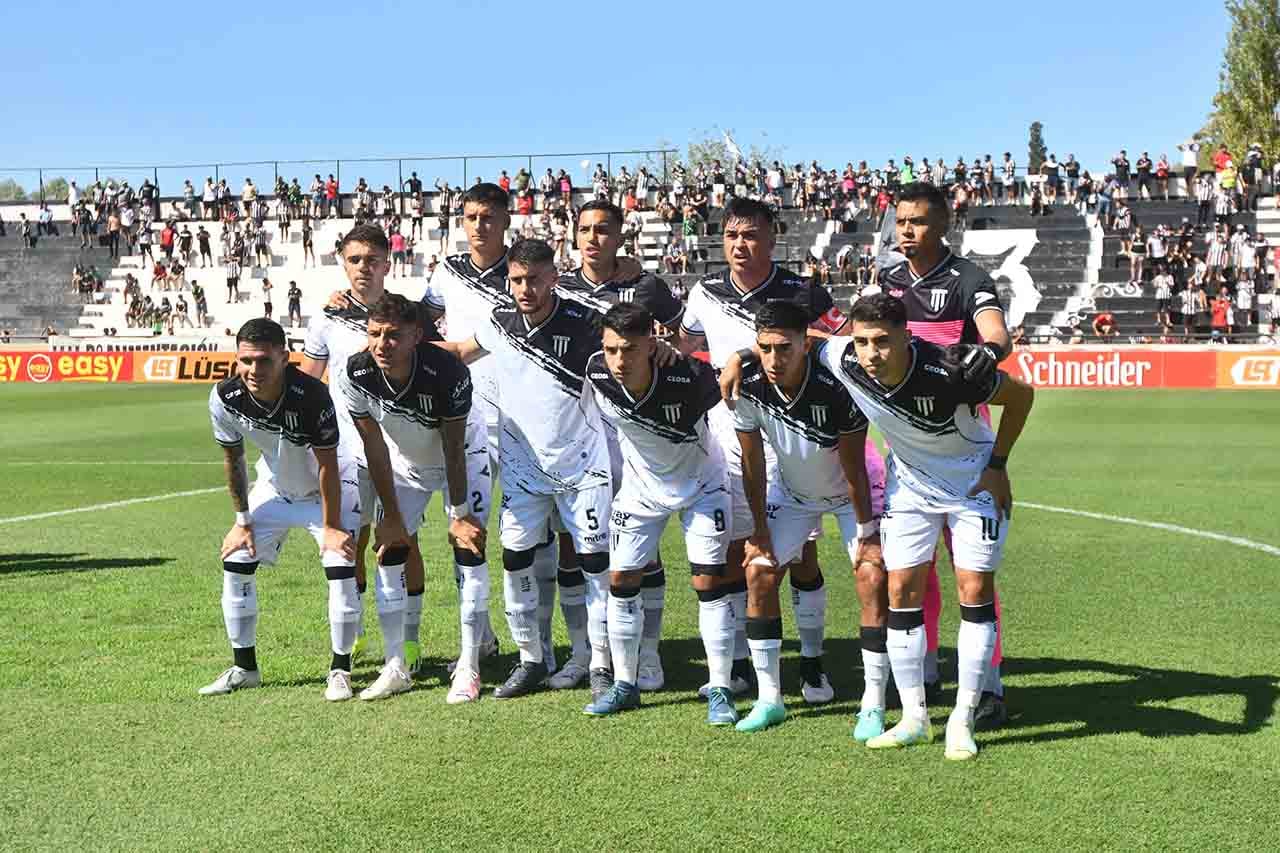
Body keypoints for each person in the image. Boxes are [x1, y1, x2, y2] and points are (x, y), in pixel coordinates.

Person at [727, 293, 1034, 758]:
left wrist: (998, 464)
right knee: (900, 594)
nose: (872, 354)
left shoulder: (950, 370)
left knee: (973, 592)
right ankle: (914, 717)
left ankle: (962, 718)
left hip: (972, 487)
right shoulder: (846, 357)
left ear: (906, 338)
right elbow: (800, 339)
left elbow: (1022, 395)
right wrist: (740, 354)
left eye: (883, 342)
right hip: (909, 489)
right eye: (864, 341)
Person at [678, 197, 849, 703]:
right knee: (741, 548)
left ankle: (813, 662)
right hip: (728, 441)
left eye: (751, 235)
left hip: (794, 440)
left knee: (801, 556)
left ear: (772, 239)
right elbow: (684, 346)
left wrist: (749, 351)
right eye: (731, 235)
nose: (739, 245)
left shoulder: (802, 291)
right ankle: (737, 663)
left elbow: (842, 340)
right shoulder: (704, 291)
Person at [433, 239, 617, 700]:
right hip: (523, 472)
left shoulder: (587, 323)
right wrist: (398, 339)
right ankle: (531, 658)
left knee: (594, 566)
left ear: (554, 277)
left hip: (582, 470)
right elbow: (458, 352)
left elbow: (624, 354)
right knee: (515, 562)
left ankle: (598, 662)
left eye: (534, 279)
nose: (524, 289)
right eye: (516, 280)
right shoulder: (500, 322)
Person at [873, 181, 1014, 725]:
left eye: (918, 222)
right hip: (906, 451)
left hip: (964, 451)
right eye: (900, 221)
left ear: (943, 226)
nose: (906, 231)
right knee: (914, 569)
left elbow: (996, 333)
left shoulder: (968, 279)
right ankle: (925, 669)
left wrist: (990, 352)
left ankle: (991, 685)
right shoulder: (887, 281)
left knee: (973, 574)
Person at [729, 301, 883, 733]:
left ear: (805, 343)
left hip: (852, 492)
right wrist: (759, 532)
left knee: (871, 576)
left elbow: (853, 465)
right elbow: (752, 463)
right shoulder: (751, 385)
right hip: (793, 494)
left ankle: (872, 702)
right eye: (765, 348)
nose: (775, 359)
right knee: (758, 573)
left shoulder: (837, 384)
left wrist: (868, 533)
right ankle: (769, 698)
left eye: (785, 348)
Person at [551, 200, 684, 691]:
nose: (593, 238)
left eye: (603, 230)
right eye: (584, 229)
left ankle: (648, 654)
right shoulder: (557, 286)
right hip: (572, 433)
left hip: (629, 433)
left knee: (639, 546)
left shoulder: (645, 286)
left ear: (620, 235)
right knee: (573, 543)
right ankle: (586, 654)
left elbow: (689, 330)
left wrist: (670, 347)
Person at [579, 303, 735, 721]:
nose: (618, 360)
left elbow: (737, 386)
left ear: (651, 344)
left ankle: (719, 688)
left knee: (707, 580)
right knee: (621, 578)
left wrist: (738, 355)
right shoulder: (595, 371)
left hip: (702, 485)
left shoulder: (689, 376)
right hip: (641, 489)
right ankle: (625, 684)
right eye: (611, 349)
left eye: (629, 349)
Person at [200, 318, 359, 700]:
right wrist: (242, 521)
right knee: (236, 559)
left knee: (340, 569)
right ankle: (244, 668)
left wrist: (333, 525)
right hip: (274, 489)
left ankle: (340, 671)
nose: (254, 370)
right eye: (246, 360)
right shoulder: (225, 397)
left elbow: (326, 465)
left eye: (264, 361)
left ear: (284, 358)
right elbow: (233, 460)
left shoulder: (312, 395)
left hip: (327, 491)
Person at [344, 293, 491, 703]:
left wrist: (459, 513)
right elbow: (374, 447)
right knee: (390, 549)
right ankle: (398, 664)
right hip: (403, 462)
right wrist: (389, 514)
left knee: (468, 547)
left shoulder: (447, 371)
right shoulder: (356, 373)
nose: (381, 344)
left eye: (394, 336)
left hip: (461, 456)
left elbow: (454, 446)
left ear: (417, 337)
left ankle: (468, 665)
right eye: (374, 334)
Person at [303, 224, 435, 674]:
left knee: (404, 539)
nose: (364, 268)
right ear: (343, 262)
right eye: (355, 259)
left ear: (387, 264)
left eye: (373, 260)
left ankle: (412, 642)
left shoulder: (404, 315)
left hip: (397, 449)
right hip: (344, 449)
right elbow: (308, 379)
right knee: (353, 543)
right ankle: (355, 633)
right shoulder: (326, 316)